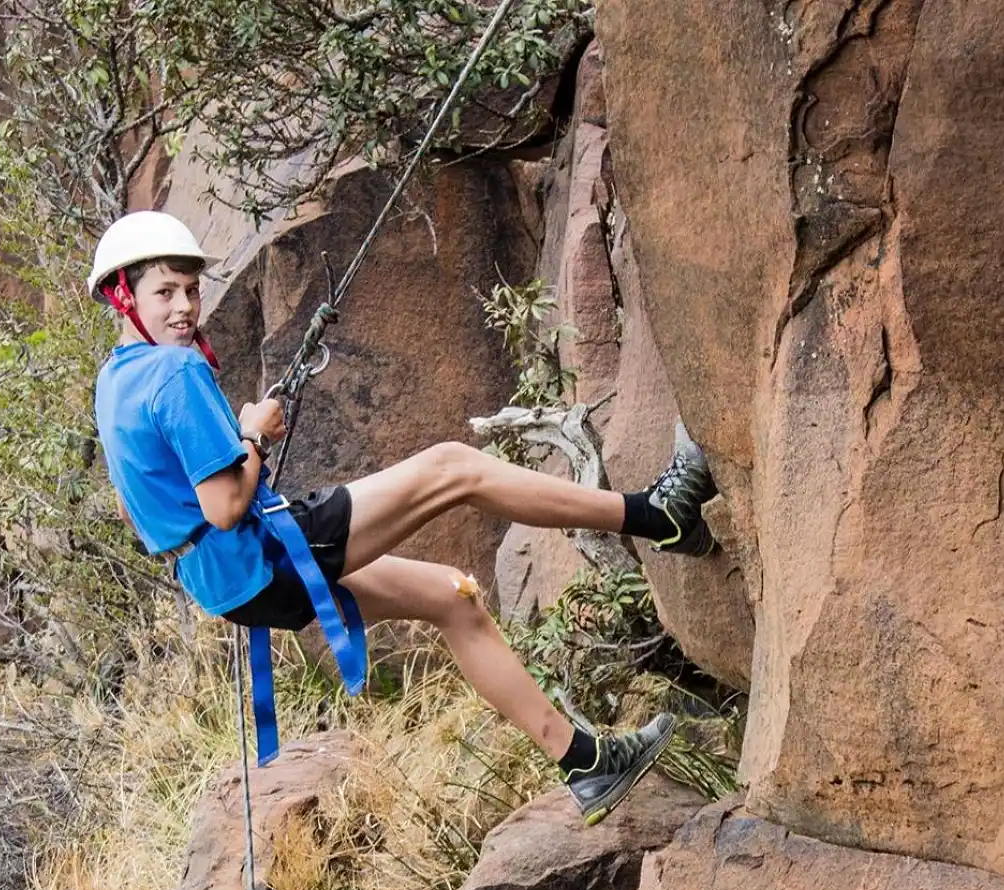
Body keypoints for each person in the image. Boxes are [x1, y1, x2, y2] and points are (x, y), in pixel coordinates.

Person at [91, 211, 719, 826]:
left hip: (231, 586)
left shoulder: (114, 382)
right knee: (453, 468)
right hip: (260, 556)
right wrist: (252, 437)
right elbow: (225, 507)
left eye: (191, 290)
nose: (184, 308)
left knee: (452, 596)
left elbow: (131, 504)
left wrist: (224, 468)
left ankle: (586, 764)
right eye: (163, 293)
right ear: (125, 298)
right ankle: (659, 513)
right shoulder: (174, 371)